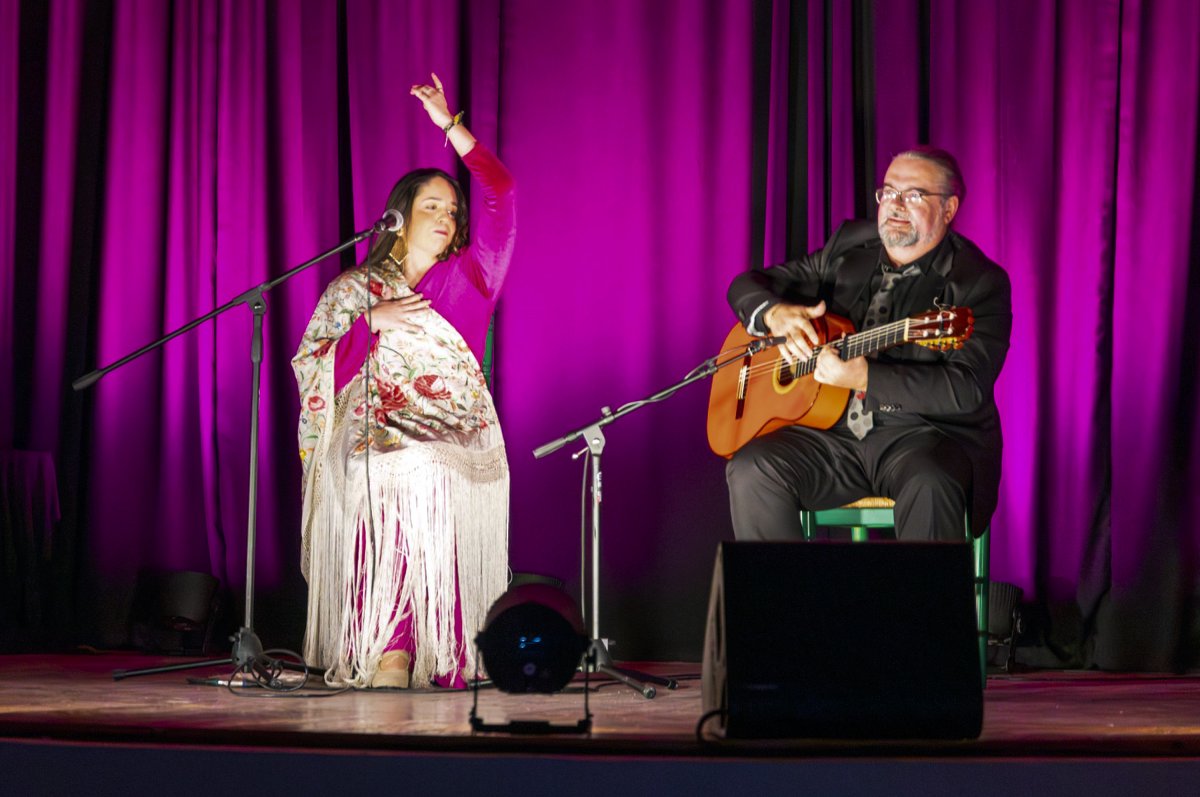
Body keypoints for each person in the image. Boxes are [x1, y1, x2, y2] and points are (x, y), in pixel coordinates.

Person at [292, 74, 515, 689]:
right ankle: (389, 647)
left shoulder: (471, 278)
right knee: (383, 465)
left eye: (452, 209)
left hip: (448, 427)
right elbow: (316, 370)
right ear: (398, 218)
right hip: (372, 429)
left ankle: (440, 649)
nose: (446, 216)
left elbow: (501, 190)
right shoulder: (354, 289)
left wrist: (451, 127)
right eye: (431, 206)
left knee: (423, 465)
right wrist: (371, 321)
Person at [724, 147, 1011, 543]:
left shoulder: (978, 282)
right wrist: (773, 314)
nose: (894, 205)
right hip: (831, 433)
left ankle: (926, 608)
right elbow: (747, 286)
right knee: (753, 467)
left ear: (948, 209)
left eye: (913, 195)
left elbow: (967, 389)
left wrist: (866, 376)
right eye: (888, 192)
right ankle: (784, 605)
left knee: (932, 483)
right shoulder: (847, 248)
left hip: (921, 437)